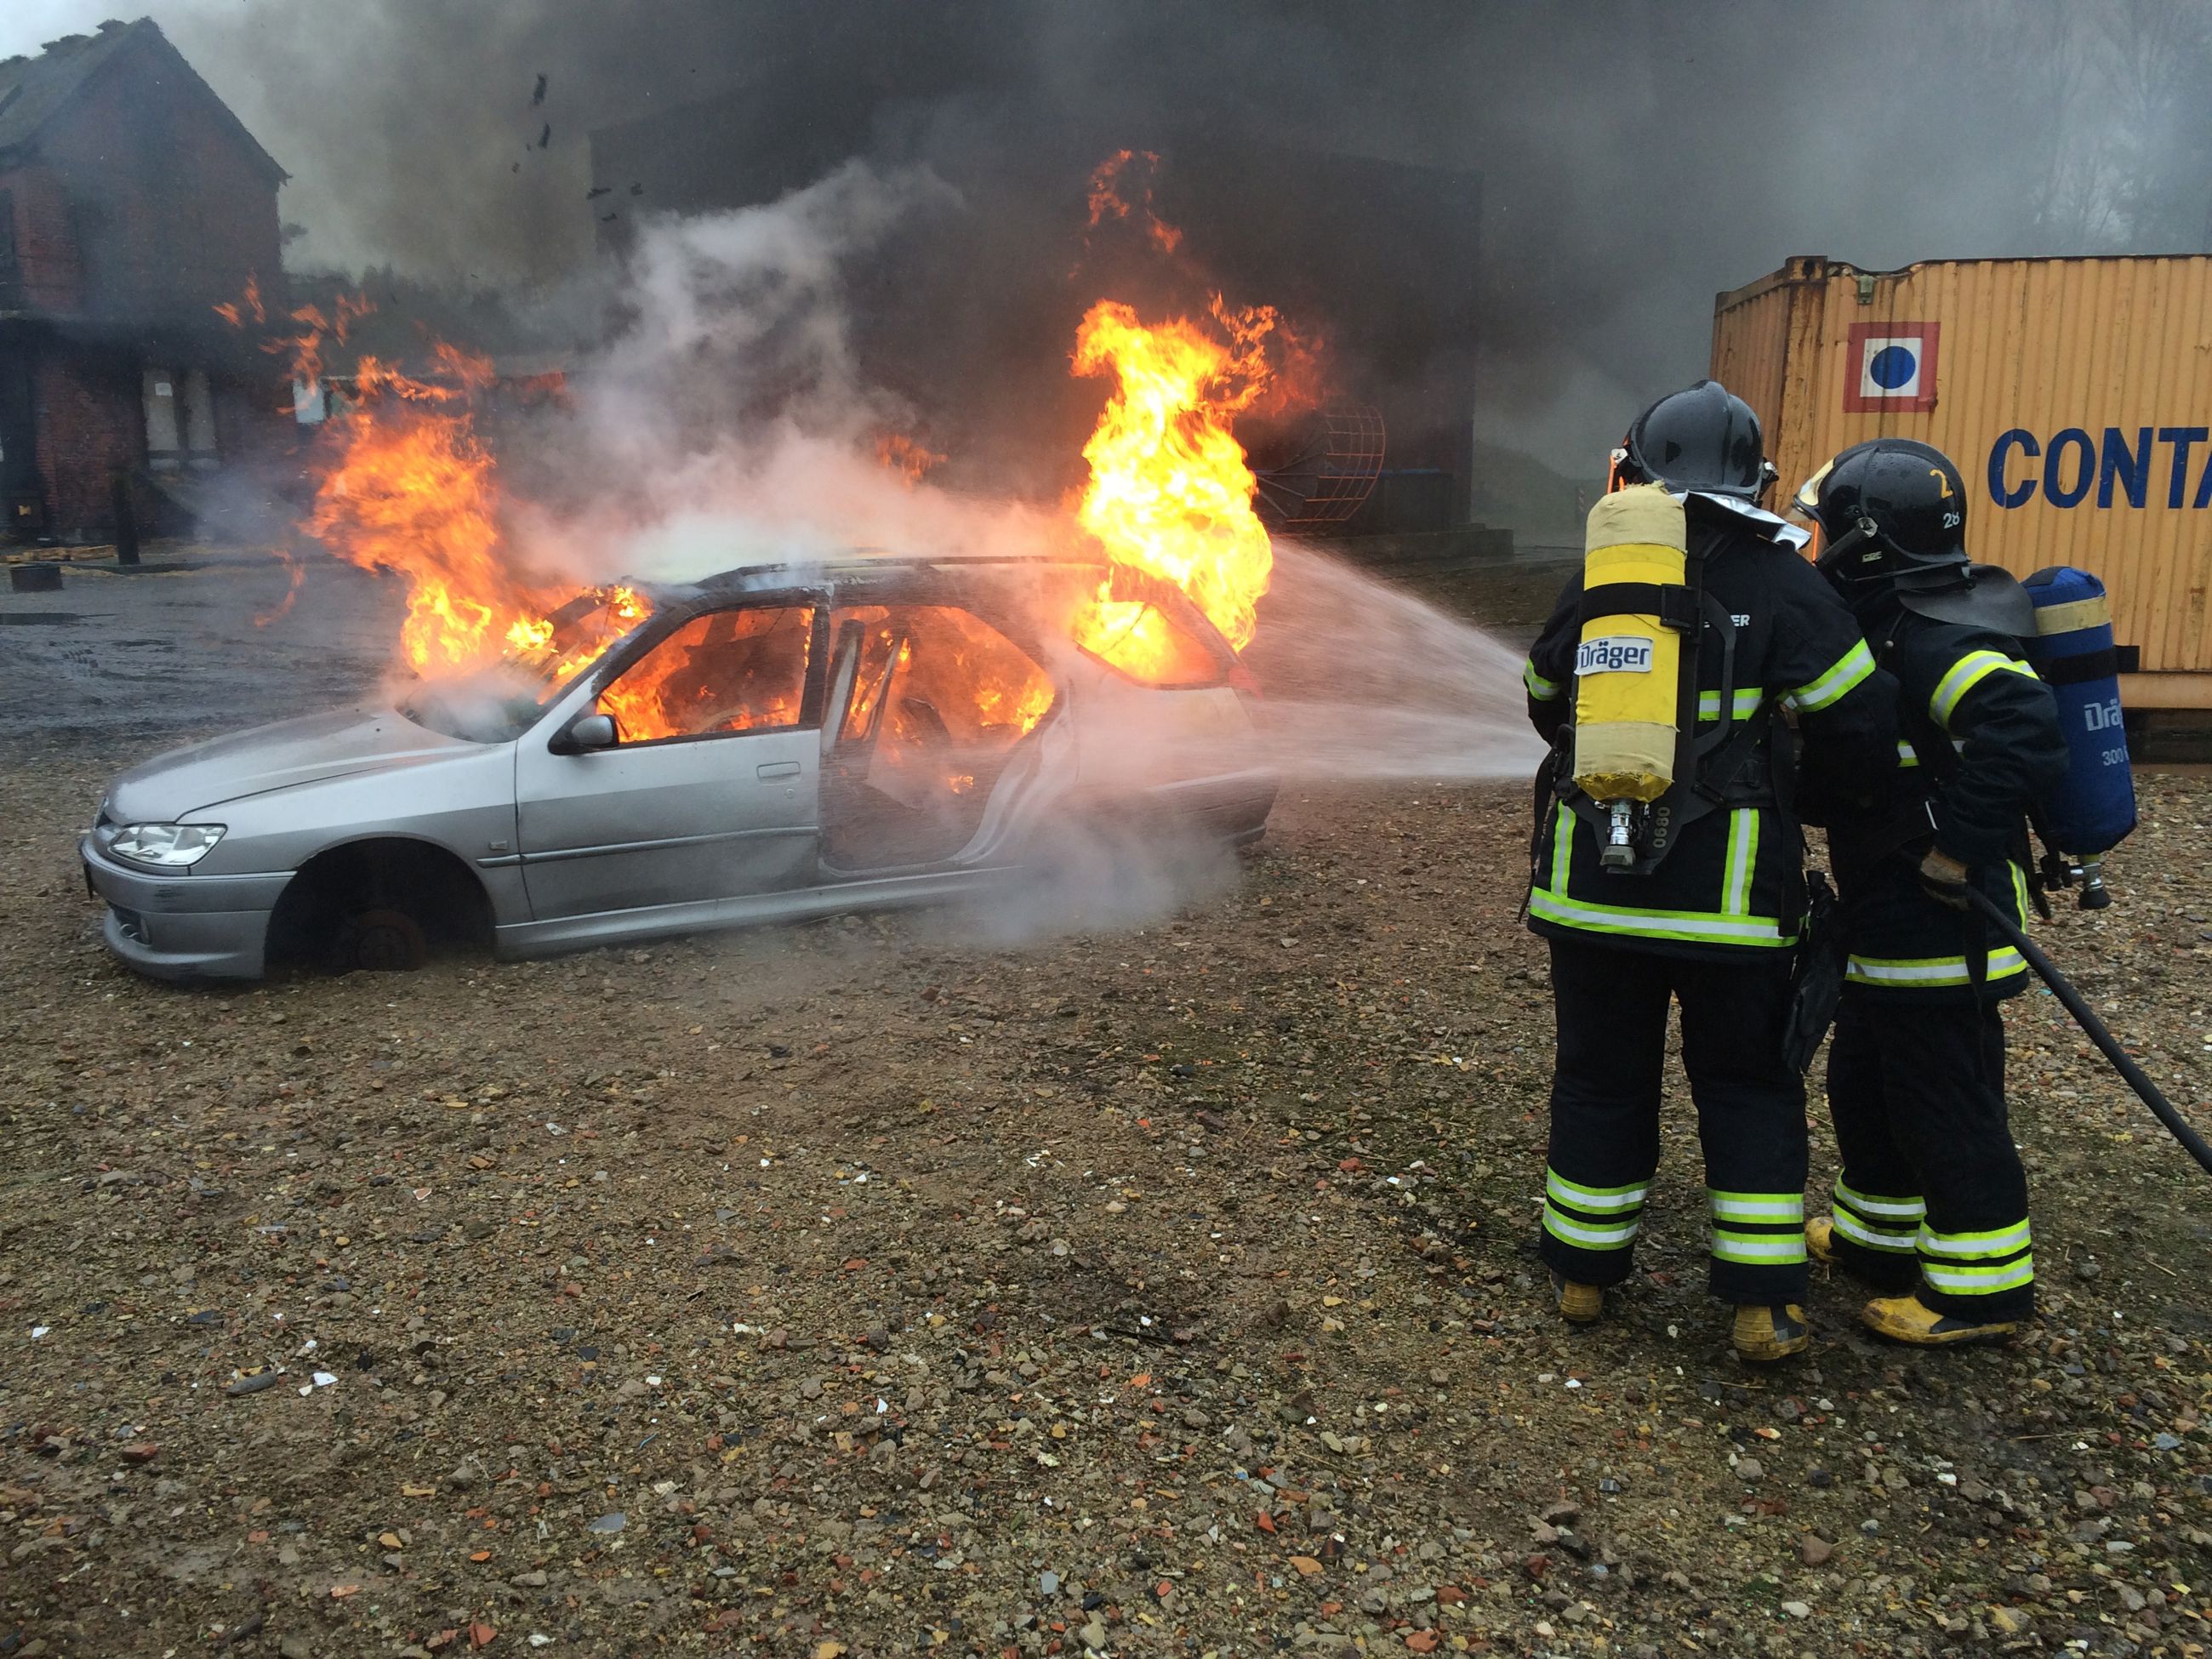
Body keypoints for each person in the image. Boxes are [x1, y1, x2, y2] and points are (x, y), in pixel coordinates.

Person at [1522, 381, 1896, 1361]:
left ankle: (1582, 1277)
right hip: (1728, 910)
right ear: (1754, 481)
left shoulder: (1602, 577)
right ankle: (1760, 1306)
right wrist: (1804, 793)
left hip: (1591, 895)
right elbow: (1859, 724)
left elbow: (1542, 695)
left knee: (1597, 1079)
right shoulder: (1784, 583)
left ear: (1634, 470)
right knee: (1746, 1085)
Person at [1794, 438, 2067, 1344]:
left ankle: (1981, 1291)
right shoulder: (1892, 619)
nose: (1815, 545)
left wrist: (1958, 847)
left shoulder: (1936, 634)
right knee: (1866, 1081)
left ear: (1865, 540)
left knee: (1944, 1100)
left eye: (1824, 529)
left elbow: (2022, 728)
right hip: (1887, 915)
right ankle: (1878, 1239)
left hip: (1941, 920)